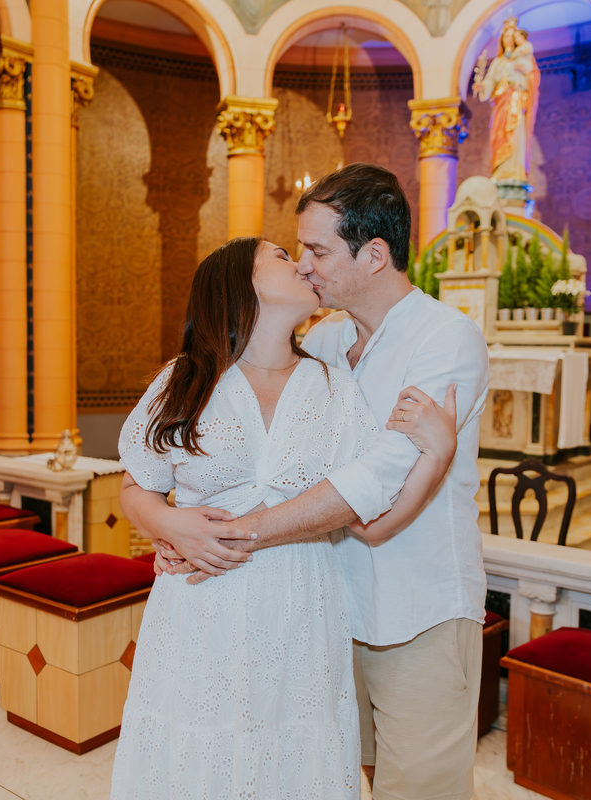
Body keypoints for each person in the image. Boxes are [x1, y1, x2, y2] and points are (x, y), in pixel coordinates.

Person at [126, 163, 491, 800]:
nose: (305, 265)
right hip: (321, 608)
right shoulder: (323, 341)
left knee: (419, 788)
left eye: (318, 250)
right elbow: (176, 468)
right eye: (297, 251)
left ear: (373, 254)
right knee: (324, 768)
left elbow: (372, 481)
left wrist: (227, 536)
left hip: (415, 606)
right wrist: (168, 523)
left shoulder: (445, 338)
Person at [474, 17, 540, 183]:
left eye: (511, 36)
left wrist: (524, 78)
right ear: (502, 39)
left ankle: (514, 171)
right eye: (505, 36)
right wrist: (482, 87)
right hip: (501, 103)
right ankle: (501, 170)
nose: (508, 39)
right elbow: (490, 81)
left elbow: (532, 78)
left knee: (515, 133)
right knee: (499, 133)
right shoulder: (498, 62)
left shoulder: (523, 59)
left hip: (516, 101)